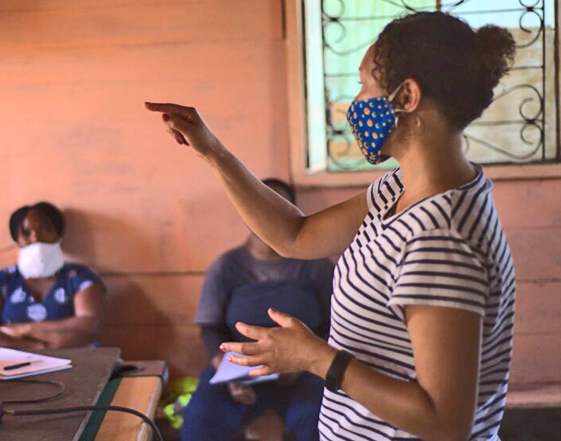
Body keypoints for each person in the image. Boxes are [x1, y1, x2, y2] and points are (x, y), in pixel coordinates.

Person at [147, 11, 516, 441]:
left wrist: (317, 358)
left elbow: (444, 421)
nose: (354, 103)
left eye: (364, 85)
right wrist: (212, 151)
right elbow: (294, 236)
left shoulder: (440, 236)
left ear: (407, 96)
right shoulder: (399, 189)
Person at [183, 178, 334, 441]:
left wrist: (308, 360)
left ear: (294, 213)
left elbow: (336, 324)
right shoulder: (226, 267)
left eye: (278, 207)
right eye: (258, 206)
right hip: (240, 368)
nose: (267, 216)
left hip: (305, 368)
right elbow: (210, 329)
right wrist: (227, 374)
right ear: (245, 212)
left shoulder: (315, 265)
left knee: (317, 420)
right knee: (200, 417)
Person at [0, 202, 106, 351]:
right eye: (26, 233)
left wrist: (23, 330)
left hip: (75, 366)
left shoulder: (81, 278)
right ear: (17, 239)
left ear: (58, 233)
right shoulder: (1, 280)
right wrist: (38, 346)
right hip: (12, 369)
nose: (36, 238)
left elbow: (89, 326)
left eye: (45, 230)